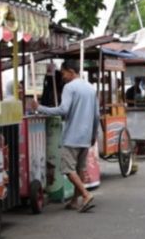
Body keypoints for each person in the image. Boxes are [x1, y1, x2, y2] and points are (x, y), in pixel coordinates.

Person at [37, 59, 99, 212]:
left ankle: (85, 194)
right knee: (80, 169)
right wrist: (93, 134)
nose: (62, 76)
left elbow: (63, 110)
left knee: (67, 168)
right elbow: (97, 115)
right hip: (85, 137)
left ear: (71, 72)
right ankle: (74, 201)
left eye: (64, 73)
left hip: (72, 136)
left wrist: (40, 108)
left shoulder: (69, 87)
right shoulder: (91, 88)